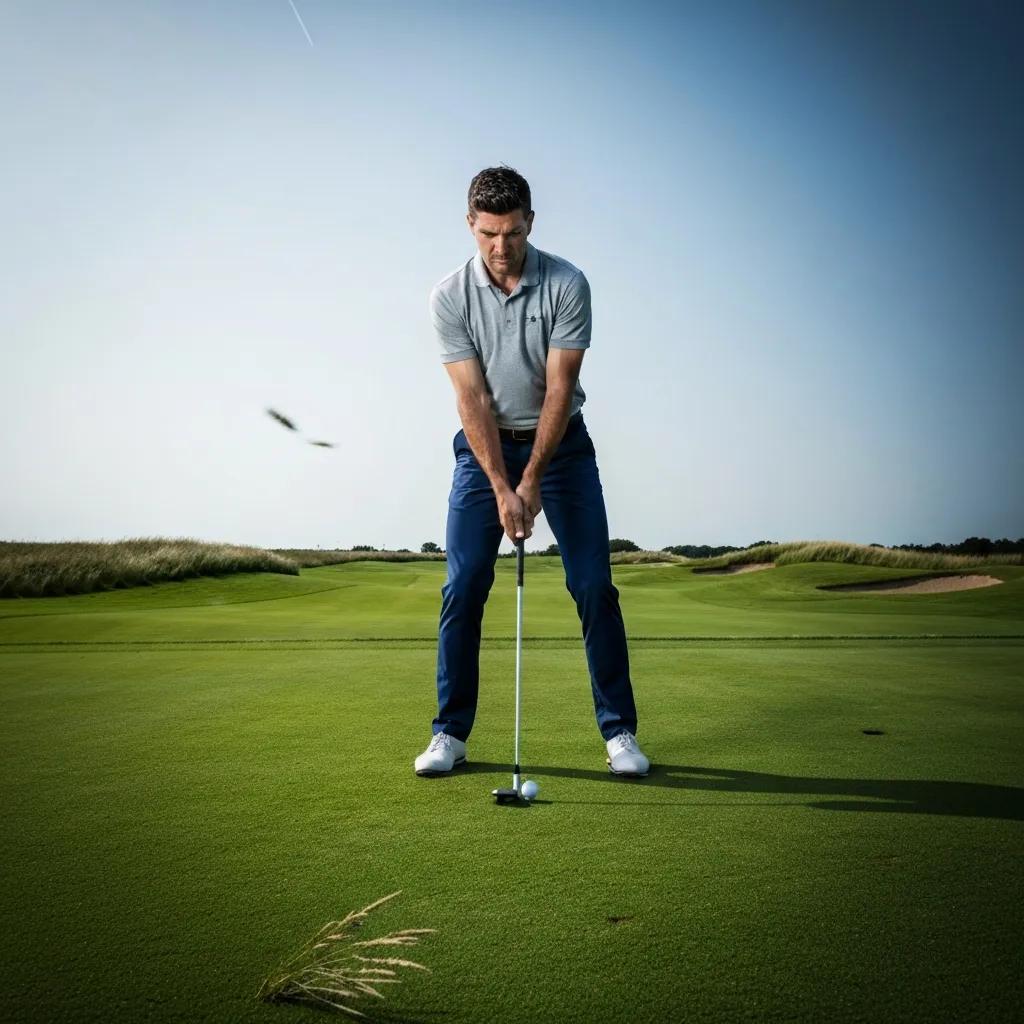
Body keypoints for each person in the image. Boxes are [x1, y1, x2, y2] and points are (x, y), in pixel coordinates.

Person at [414, 165, 649, 779]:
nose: (501, 247)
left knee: (593, 584)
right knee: (464, 585)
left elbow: (559, 388)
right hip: (483, 451)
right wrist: (502, 485)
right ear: (471, 224)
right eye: (488, 233)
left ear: (531, 224)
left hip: (562, 449)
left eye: (513, 232)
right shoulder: (449, 296)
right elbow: (471, 399)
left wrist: (532, 478)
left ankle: (619, 731)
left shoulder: (567, 283)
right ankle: (449, 732)